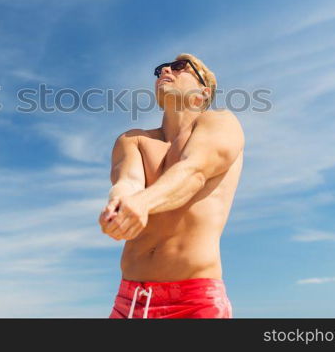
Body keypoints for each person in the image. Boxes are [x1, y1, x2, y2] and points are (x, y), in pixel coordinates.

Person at [100, 53, 244, 318]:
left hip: (194, 301)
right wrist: (118, 205)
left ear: (203, 91)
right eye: (160, 69)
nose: (165, 69)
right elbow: (127, 182)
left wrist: (143, 203)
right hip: (130, 301)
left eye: (180, 67)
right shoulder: (133, 139)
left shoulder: (221, 122)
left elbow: (193, 172)